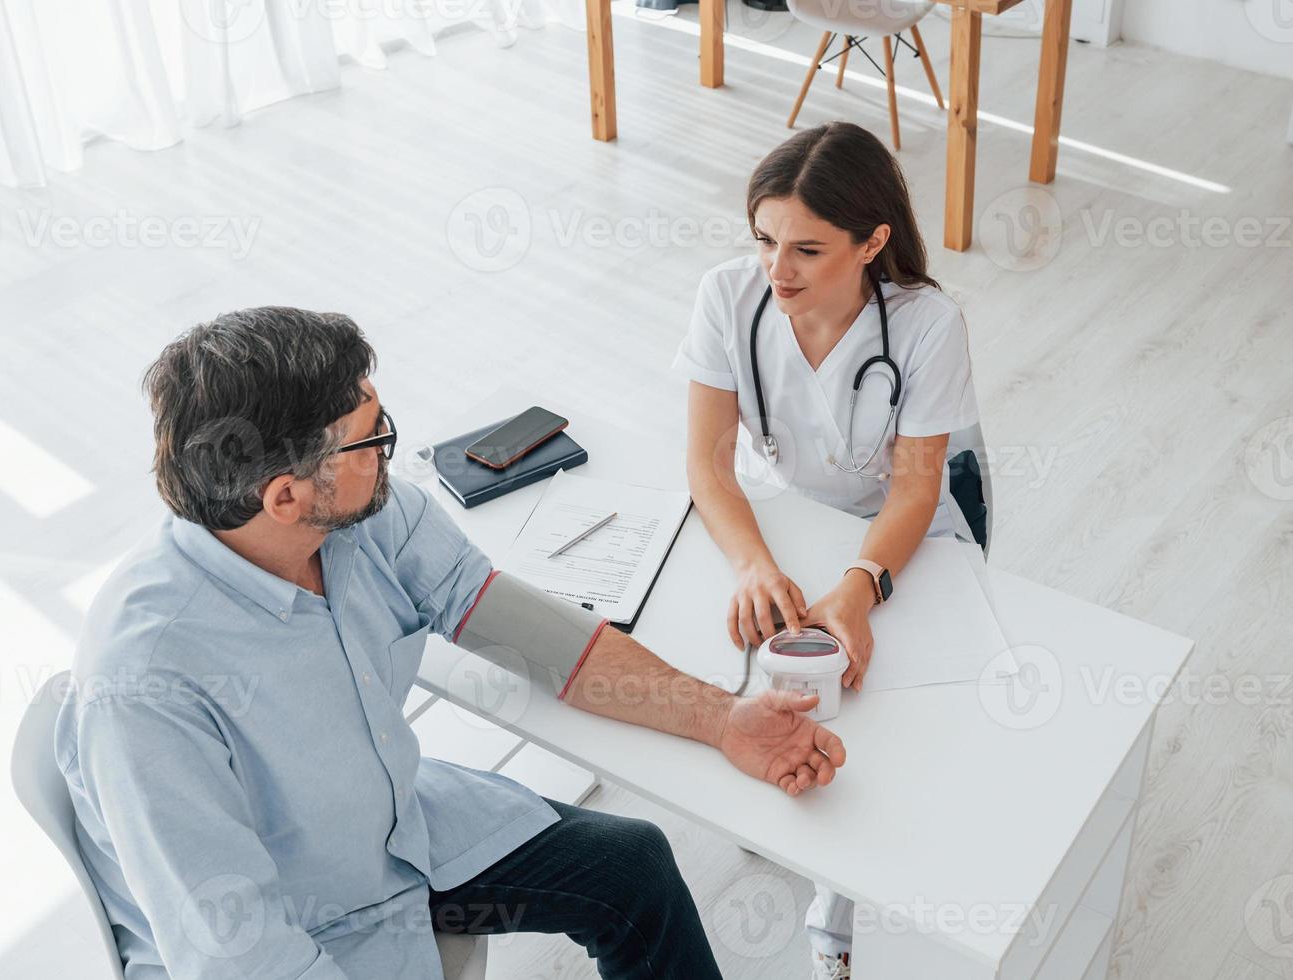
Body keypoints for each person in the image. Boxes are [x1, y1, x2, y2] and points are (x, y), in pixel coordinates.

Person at [56, 306, 847, 980]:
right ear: (285, 495)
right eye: (370, 440)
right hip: (296, 925)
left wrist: (720, 718)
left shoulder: (366, 516)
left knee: (630, 864)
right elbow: (237, 952)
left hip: (392, 823)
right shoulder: (144, 682)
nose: (390, 451)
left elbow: (524, 630)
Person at [672, 122, 982, 980]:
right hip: (792, 521)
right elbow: (705, 464)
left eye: (807, 249)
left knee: (876, 711)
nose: (778, 271)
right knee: (763, 678)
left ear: (873, 241)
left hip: (899, 537)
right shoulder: (727, 297)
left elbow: (918, 488)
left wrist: (860, 585)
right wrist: (754, 563)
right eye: (765, 240)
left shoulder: (927, 325)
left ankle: (836, 928)